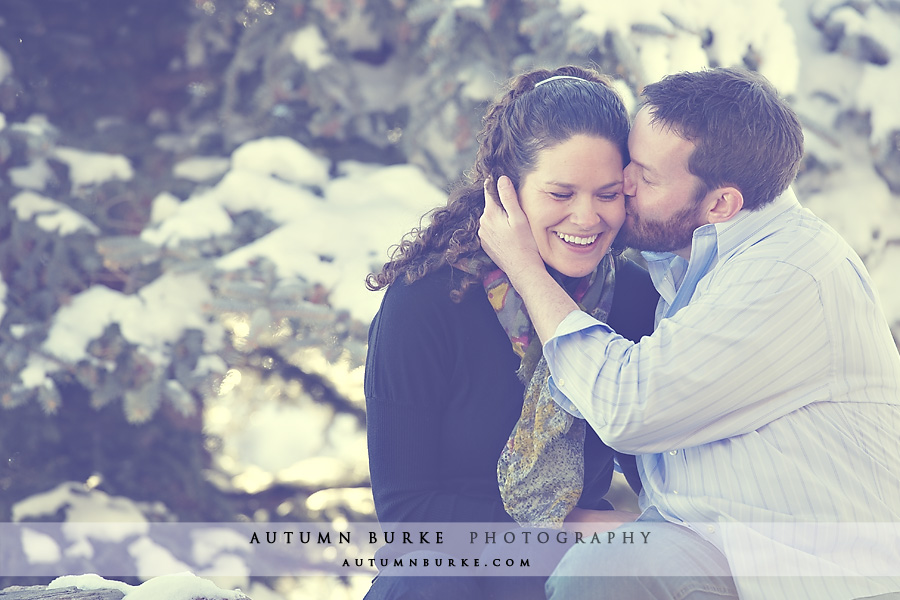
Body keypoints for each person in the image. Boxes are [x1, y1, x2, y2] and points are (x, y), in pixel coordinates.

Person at [478, 66, 900, 600]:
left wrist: (526, 270)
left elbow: (627, 407)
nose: (622, 182)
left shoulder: (787, 273)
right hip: (725, 546)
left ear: (721, 203)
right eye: (631, 158)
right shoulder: (691, 261)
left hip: (822, 575)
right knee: (603, 572)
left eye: (646, 177)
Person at [362, 65, 659, 599]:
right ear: (507, 192)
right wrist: (572, 527)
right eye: (561, 193)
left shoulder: (637, 301)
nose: (587, 217)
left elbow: (661, 472)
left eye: (608, 193)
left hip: (573, 576)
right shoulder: (426, 302)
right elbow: (405, 516)